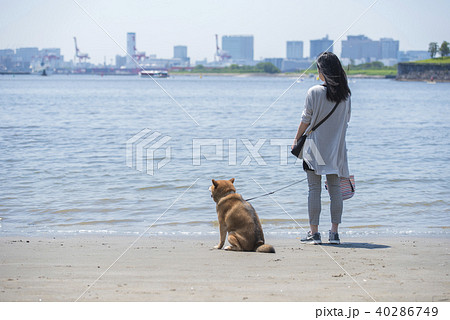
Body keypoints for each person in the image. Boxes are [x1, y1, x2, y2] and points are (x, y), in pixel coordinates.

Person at [292, 52, 351, 245]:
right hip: (336, 149)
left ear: (322, 71)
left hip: (314, 149)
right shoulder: (346, 95)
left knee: (314, 189)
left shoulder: (314, 92)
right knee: (335, 190)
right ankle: (334, 234)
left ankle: (314, 233)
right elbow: (346, 121)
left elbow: (305, 120)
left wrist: (296, 139)